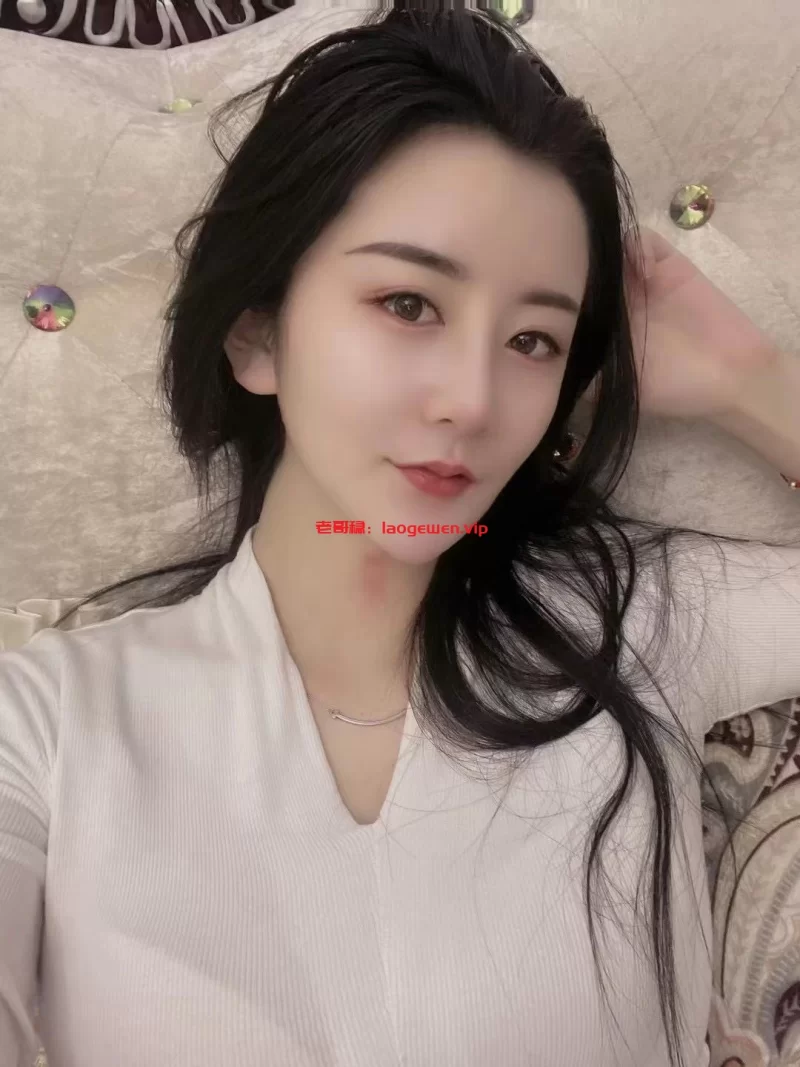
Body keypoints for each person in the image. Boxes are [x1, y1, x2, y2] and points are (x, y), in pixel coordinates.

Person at [1, 7, 798, 1067]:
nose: (472, 398)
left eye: (532, 339)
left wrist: (753, 384)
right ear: (256, 333)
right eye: (408, 302)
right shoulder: (48, 725)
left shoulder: (639, 624)